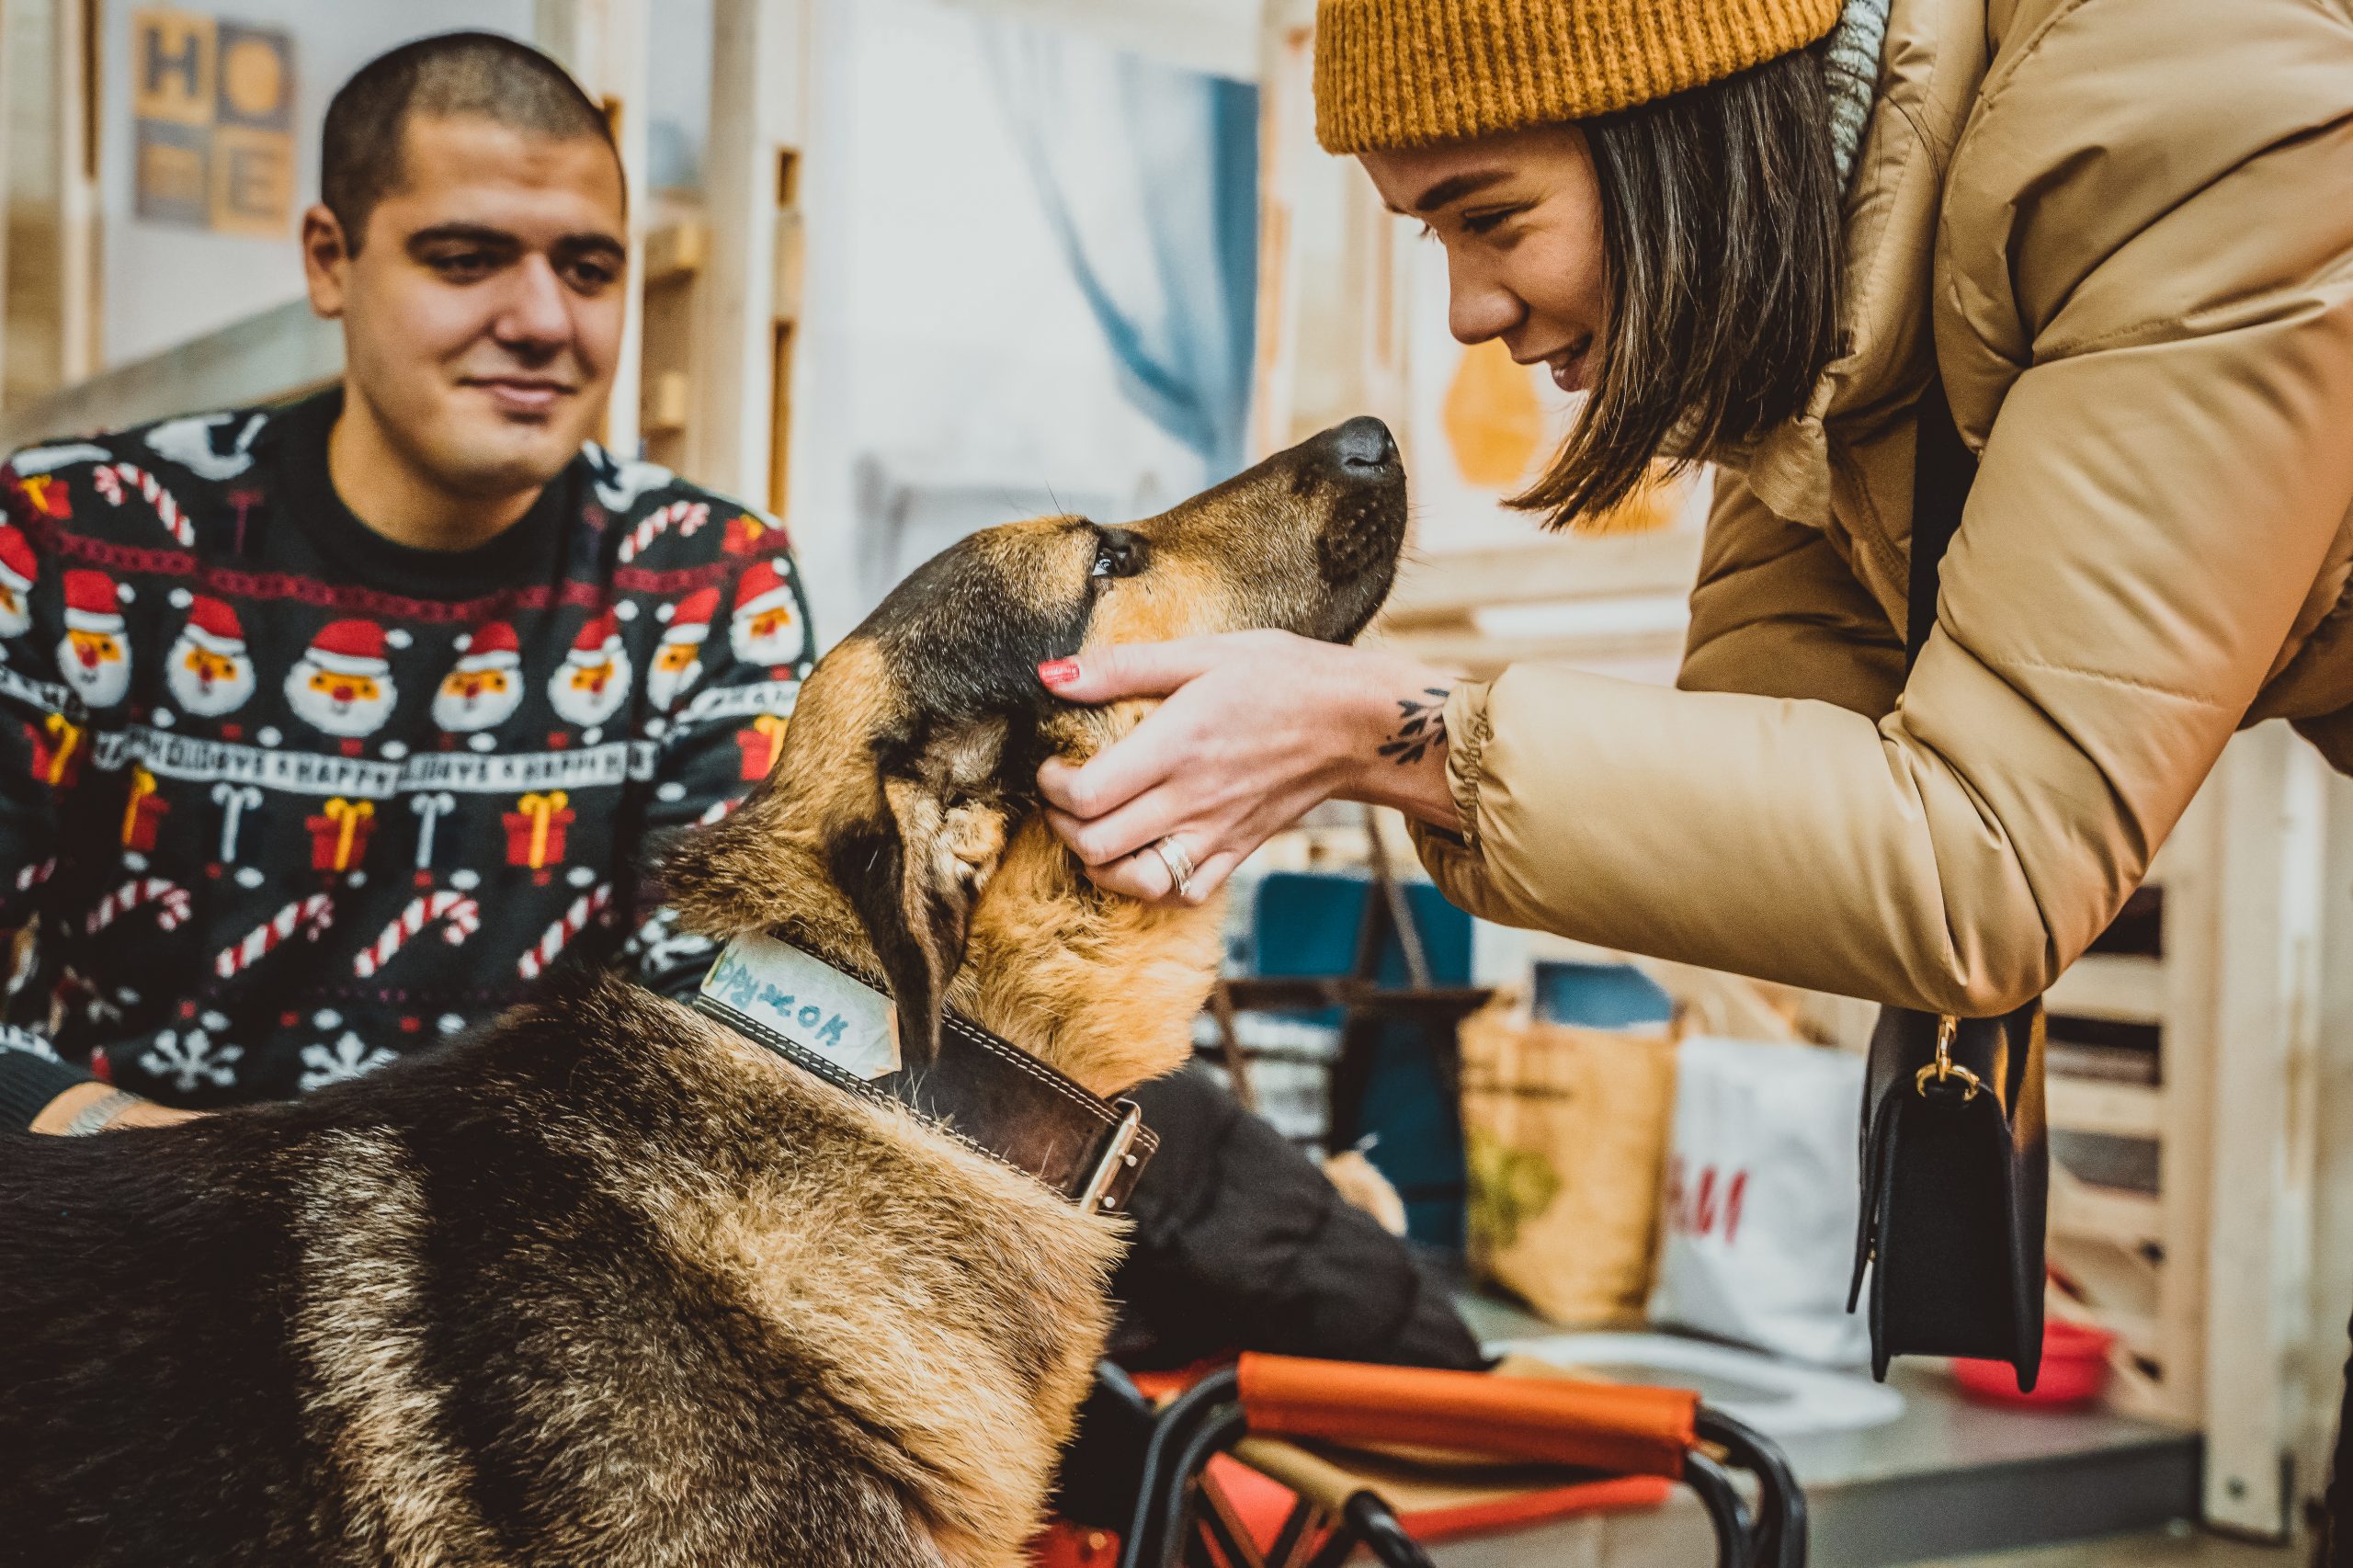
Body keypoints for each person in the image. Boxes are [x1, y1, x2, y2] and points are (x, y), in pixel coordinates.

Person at [1034, 0, 2353, 1546]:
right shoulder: (1827, 318)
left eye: (1492, 215)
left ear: (1686, 128)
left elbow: (1986, 858)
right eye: (1428, 234)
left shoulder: (2185, 123)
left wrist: (1372, 730)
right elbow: (1779, 781)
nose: (1467, 309)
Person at [0, 32, 813, 1133]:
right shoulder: (74, 532)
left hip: (511, 1255)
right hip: (120, 1223)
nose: (540, 321)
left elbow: (728, 1030)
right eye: (466, 257)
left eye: (588, 269)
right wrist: (183, 1177)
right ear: (331, 261)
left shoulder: (705, 582)